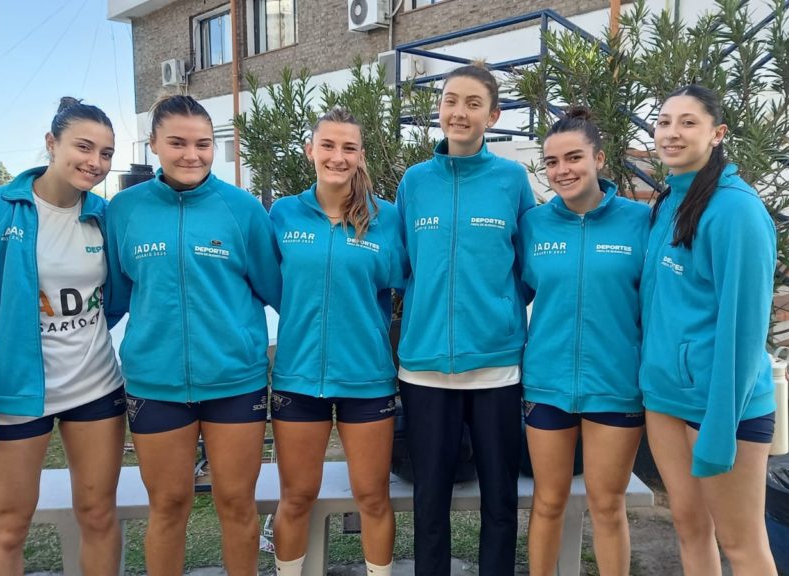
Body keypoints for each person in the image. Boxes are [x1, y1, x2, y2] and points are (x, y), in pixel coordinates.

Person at [104, 95, 282, 576]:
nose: (191, 154)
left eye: (203, 144)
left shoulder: (243, 210)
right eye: (177, 143)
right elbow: (113, 298)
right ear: (153, 144)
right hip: (155, 385)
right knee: (168, 505)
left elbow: (278, 290)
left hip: (235, 382)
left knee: (237, 503)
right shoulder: (124, 210)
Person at [0, 97, 125, 575]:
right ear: (52, 143)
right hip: (15, 394)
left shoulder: (105, 216)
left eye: (106, 153)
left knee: (98, 514)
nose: (95, 162)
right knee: (9, 525)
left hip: (95, 388)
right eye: (83, 147)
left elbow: (113, 299)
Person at [395, 62, 536, 575]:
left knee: (500, 501)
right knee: (429, 503)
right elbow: (404, 265)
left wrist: (495, 312)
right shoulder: (415, 182)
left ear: (492, 116)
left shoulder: (511, 180)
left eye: (473, 103)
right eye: (451, 100)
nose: (459, 111)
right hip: (425, 369)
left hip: (496, 367)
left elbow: (526, 266)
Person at [640, 85, 778, 575]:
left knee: (741, 544)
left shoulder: (737, 210)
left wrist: (720, 430)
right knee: (688, 525)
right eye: (664, 122)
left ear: (717, 134)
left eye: (688, 122)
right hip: (666, 398)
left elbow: (744, 329)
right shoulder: (670, 202)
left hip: (724, 407)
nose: (671, 132)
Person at [268, 107, 405, 576]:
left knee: (372, 496)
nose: (337, 156)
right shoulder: (283, 214)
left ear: (361, 155)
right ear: (310, 150)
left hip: (366, 378)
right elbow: (272, 284)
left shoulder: (386, 219)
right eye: (328, 145)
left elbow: (405, 285)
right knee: (296, 496)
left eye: (349, 148)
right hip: (298, 377)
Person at [519, 107, 649, 576]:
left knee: (607, 504)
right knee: (548, 501)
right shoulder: (534, 225)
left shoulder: (640, 222)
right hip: (547, 384)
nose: (562, 170)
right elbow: (512, 292)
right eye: (552, 162)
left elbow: (666, 302)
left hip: (616, 385)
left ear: (599, 158)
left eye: (574, 157)